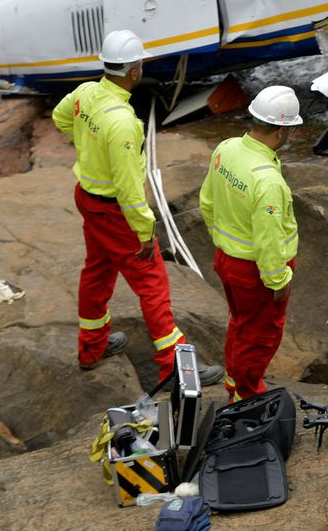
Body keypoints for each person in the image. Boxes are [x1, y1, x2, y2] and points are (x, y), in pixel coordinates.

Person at [53, 29, 222, 386]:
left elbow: (60, 118)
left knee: (97, 272)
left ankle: (92, 347)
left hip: (87, 198)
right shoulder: (124, 124)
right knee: (153, 285)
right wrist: (146, 233)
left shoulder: (86, 92)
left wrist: (87, 148)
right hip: (115, 212)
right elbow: (131, 193)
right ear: (134, 71)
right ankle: (173, 369)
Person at [199, 86, 302, 403]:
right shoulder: (268, 181)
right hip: (257, 271)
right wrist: (278, 279)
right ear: (283, 130)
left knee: (240, 324)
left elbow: (206, 203)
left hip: (227, 259)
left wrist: (223, 240)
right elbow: (268, 238)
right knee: (260, 335)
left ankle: (233, 383)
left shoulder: (226, 149)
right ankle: (246, 395)